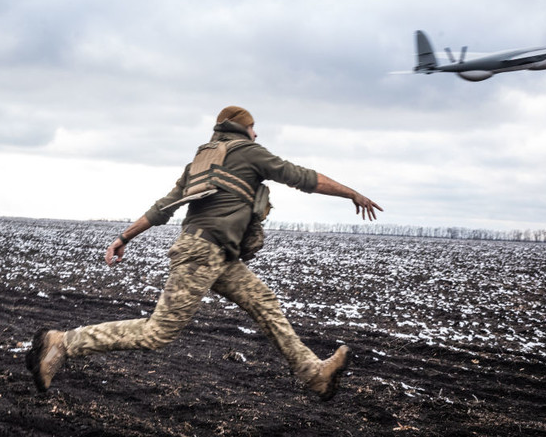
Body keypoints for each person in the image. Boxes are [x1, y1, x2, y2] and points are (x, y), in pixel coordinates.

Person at [26, 106, 383, 401]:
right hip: (201, 252)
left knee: (264, 302)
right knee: (157, 333)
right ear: (242, 129)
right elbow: (303, 177)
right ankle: (62, 343)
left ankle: (314, 374)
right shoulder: (248, 152)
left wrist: (125, 236)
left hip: (220, 255)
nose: (258, 135)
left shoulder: (202, 160)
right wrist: (351, 193)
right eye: (254, 128)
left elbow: (163, 207)